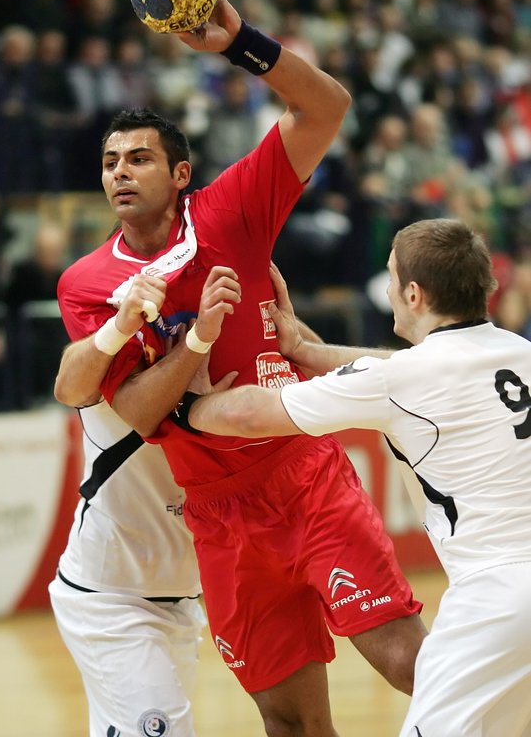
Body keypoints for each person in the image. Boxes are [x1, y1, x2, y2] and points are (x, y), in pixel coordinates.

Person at [53, 0, 426, 737]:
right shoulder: (88, 284)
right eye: (110, 161)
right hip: (217, 516)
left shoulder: (229, 211)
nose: (120, 171)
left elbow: (326, 108)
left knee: (406, 663)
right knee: (288, 721)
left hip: (301, 475)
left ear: (180, 175)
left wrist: (238, 43)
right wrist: (193, 344)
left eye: (139, 159)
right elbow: (134, 411)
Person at [187, 219, 531, 737]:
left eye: (391, 277)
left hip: (497, 600)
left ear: (413, 294)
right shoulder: (518, 352)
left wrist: (185, 404)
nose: (387, 290)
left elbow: (248, 415)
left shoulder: (399, 379)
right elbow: (406, 368)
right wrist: (306, 350)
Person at [49, 265, 242, 737]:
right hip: (109, 597)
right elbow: (67, 384)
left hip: (181, 600)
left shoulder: (208, 372)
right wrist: (120, 324)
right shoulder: (113, 371)